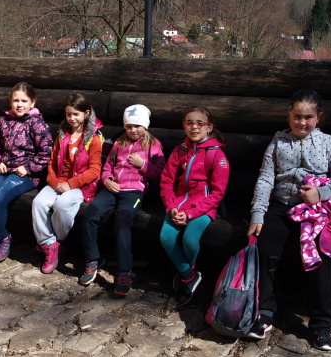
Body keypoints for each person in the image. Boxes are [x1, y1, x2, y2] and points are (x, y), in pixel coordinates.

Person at [247, 89, 331, 351]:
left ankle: (322, 323)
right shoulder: (277, 144)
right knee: (266, 250)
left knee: (320, 257)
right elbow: (266, 179)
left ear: (318, 117)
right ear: (289, 115)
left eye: (308, 117)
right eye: (297, 116)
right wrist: (258, 213)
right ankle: (265, 311)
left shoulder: (328, 143)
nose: (302, 122)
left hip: (315, 210)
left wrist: (320, 194)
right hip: (281, 206)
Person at [80, 104, 165, 296]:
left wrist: (143, 164)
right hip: (113, 188)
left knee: (123, 217)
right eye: (129, 126)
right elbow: (108, 166)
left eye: (137, 126)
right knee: (89, 214)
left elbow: (161, 173)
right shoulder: (119, 143)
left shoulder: (153, 145)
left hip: (134, 191)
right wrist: (107, 181)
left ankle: (124, 270)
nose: (133, 130)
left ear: (145, 126)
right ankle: (93, 259)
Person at [0, 82, 53, 267]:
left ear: (32, 102)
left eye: (24, 101)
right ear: (10, 101)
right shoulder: (4, 122)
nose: (19, 104)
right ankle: (4, 237)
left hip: (26, 174)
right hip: (4, 169)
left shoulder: (38, 125)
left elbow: (46, 153)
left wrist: (29, 168)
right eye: (16, 100)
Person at [160, 106, 229, 307]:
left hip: (203, 207)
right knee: (166, 237)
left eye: (200, 123)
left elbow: (217, 193)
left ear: (209, 127)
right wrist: (171, 206)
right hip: (178, 204)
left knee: (190, 239)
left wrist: (190, 214)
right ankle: (189, 275)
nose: (194, 127)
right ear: (184, 126)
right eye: (189, 123)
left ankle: (186, 272)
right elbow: (167, 181)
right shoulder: (179, 151)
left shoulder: (217, 155)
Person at [32, 93, 103, 274]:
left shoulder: (93, 138)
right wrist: (54, 181)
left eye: (76, 114)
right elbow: (51, 163)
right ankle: (49, 244)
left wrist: (70, 184)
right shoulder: (62, 136)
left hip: (81, 185)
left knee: (62, 205)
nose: (72, 118)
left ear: (86, 113)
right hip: (58, 182)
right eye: (69, 114)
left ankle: (59, 240)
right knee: (38, 203)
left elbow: (95, 170)